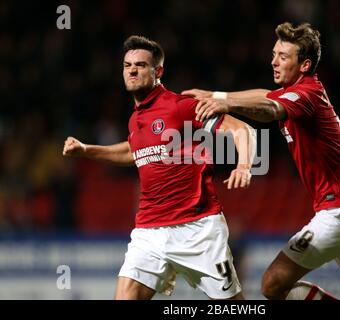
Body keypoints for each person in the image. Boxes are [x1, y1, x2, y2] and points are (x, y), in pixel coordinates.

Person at [182, 22, 340, 300]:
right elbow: (266, 95)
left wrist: (228, 105)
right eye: (274, 54)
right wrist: (216, 95)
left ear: (304, 64)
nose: (273, 61)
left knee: (273, 283)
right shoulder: (297, 91)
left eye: (283, 56)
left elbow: (270, 109)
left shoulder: (305, 95)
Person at [63, 35, 256, 300]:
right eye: (127, 65)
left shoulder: (181, 106)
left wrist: (244, 165)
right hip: (149, 231)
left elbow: (241, 129)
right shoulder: (135, 120)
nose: (132, 69)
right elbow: (133, 151)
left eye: (141, 65)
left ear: (158, 71)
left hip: (197, 230)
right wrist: (87, 150)